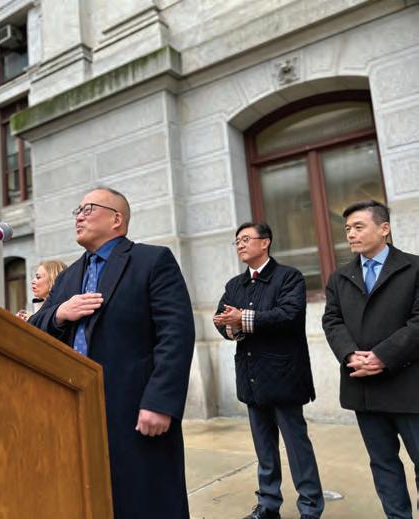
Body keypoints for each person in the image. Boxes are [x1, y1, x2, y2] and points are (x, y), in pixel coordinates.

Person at [29, 187, 195, 518]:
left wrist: (160, 401)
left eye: (88, 209)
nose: (79, 217)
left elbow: (176, 334)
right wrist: (61, 312)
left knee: (145, 501)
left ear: (116, 219)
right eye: (77, 210)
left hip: (134, 410)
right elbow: (34, 329)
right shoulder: (69, 277)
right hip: (75, 410)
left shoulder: (151, 261)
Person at [213, 222, 323, 519]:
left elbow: (289, 315)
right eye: (237, 241)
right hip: (251, 376)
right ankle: (268, 504)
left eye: (246, 239)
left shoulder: (289, 277)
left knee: (297, 446)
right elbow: (221, 319)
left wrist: (243, 319)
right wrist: (230, 325)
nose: (240, 245)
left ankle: (310, 507)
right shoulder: (234, 285)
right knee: (263, 448)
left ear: (265, 242)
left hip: (284, 376)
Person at [322, 200, 419, 519]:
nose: (350, 234)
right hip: (364, 388)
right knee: (383, 465)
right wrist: (351, 355)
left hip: (410, 388)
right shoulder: (340, 277)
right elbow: (332, 321)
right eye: (347, 229)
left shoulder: (414, 268)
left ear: (384, 228)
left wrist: (383, 356)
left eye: (358, 227)